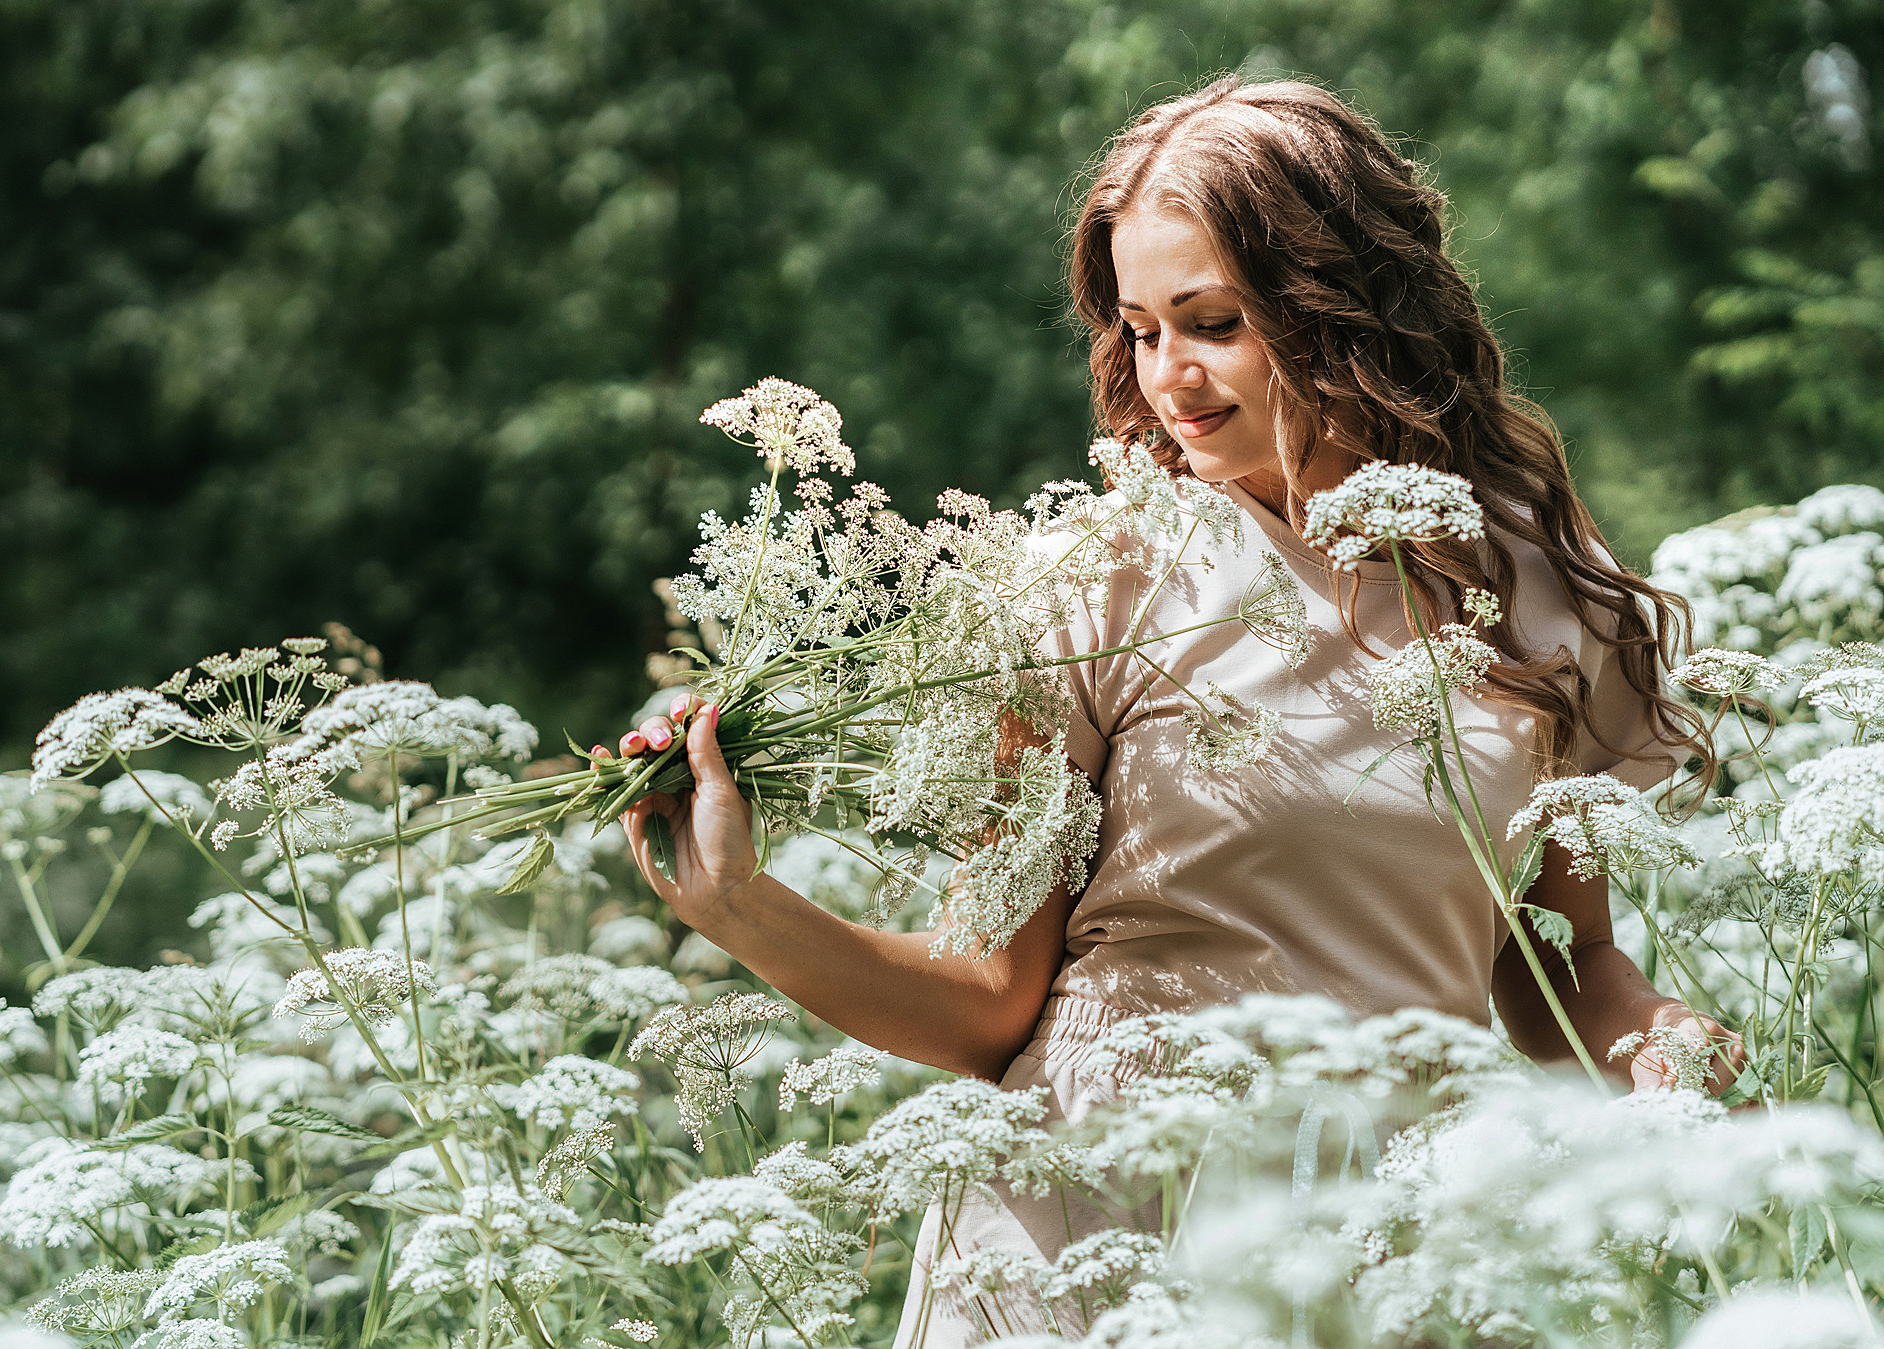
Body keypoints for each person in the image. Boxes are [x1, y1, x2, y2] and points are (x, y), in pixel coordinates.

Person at [616, 74, 1743, 1347]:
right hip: (1093, 1244)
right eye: (1141, 329)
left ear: (1347, 310)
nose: (1167, 377)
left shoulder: (1538, 591)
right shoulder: (1092, 583)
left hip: (1396, 1258)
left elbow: (1560, 968)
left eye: (1210, 322)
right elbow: (990, 1000)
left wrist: (1656, 1039)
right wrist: (738, 907)